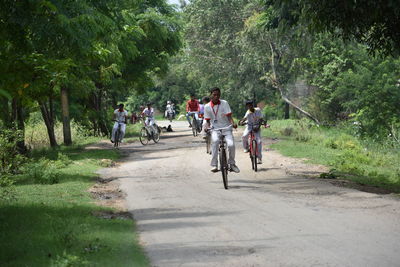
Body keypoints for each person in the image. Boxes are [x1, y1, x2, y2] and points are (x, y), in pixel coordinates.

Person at [204, 87, 240, 173]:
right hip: (215, 129)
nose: (216, 96)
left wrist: (233, 123)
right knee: (215, 142)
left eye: (218, 95)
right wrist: (207, 127)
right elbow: (208, 121)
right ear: (211, 95)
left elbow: (229, 116)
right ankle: (214, 165)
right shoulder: (207, 106)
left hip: (226, 128)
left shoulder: (224, 103)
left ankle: (232, 164)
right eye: (214, 95)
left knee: (231, 145)